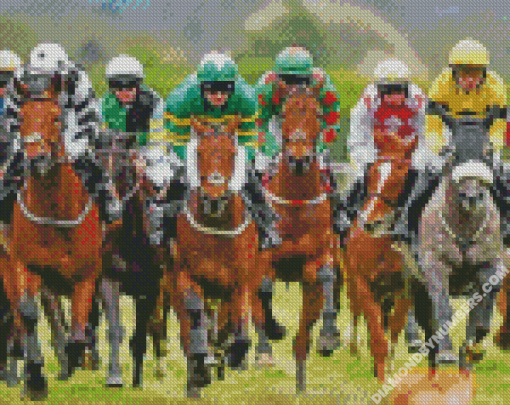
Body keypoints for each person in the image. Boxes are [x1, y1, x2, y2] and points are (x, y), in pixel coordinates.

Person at [158, 51, 284, 340]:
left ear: (233, 87)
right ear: (201, 87)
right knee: (178, 181)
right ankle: (162, 229)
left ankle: (267, 227)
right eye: (212, 89)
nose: (218, 95)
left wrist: (234, 164)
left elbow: (250, 140)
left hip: (232, 145)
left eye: (224, 89)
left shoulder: (247, 98)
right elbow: (178, 144)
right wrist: (201, 166)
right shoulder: (182, 99)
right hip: (192, 145)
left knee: (251, 181)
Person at [391, 38, 510, 246]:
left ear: (484, 73)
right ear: (454, 72)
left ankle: (507, 223)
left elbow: (499, 125)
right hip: (449, 134)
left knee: (499, 172)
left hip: (482, 136)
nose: (469, 79)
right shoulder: (441, 83)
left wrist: (492, 146)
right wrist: (441, 148)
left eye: (475, 73)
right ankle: (406, 223)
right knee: (428, 169)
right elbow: (433, 123)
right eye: (464, 73)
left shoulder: (497, 86)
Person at [7, 43, 121, 224]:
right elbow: (12, 115)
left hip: (71, 119)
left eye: (48, 77)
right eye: (38, 77)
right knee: (15, 160)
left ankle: (106, 198)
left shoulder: (77, 79)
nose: (43, 83)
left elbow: (89, 116)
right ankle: (5, 203)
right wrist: (19, 143)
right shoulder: (19, 79)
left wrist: (80, 143)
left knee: (83, 157)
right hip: (33, 120)